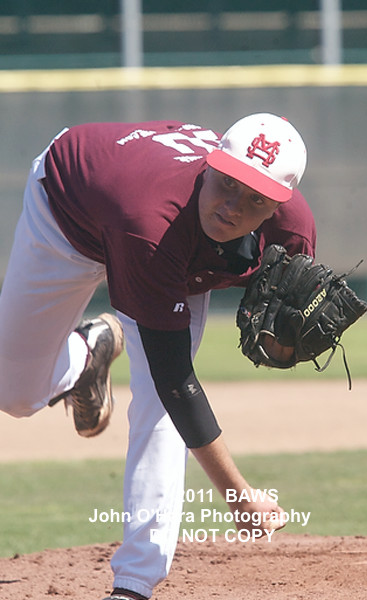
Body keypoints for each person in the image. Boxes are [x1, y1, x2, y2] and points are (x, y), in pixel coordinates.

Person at [0, 113, 316, 600]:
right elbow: (176, 382)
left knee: (157, 408)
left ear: (280, 204)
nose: (233, 207)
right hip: (68, 213)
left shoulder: (293, 231)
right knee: (15, 395)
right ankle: (87, 353)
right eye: (228, 183)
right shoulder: (151, 222)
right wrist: (238, 494)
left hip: (176, 249)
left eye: (256, 198)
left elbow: (290, 319)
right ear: (211, 165)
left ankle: (135, 583)